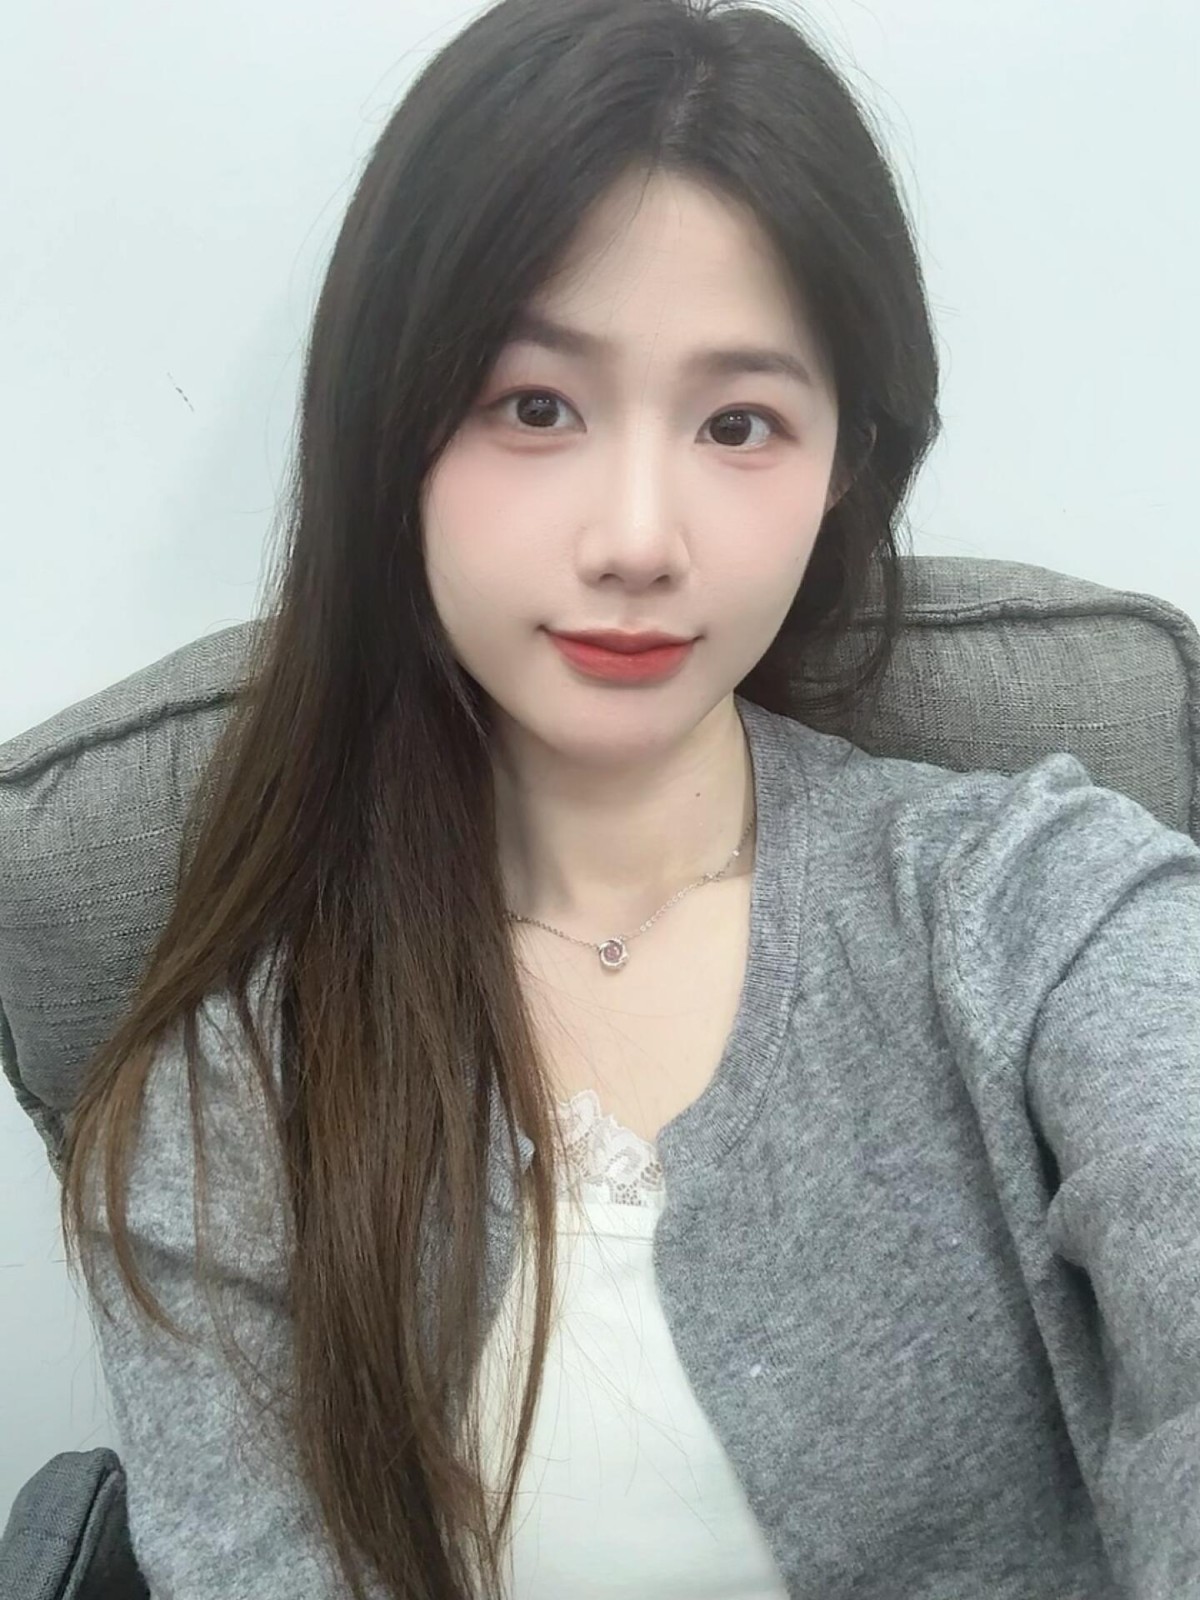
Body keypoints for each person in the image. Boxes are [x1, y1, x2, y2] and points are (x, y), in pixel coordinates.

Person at [53, 0, 1199, 1596]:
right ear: (390, 433)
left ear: (846, 465)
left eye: (740, 423)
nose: (640, 539)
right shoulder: (232, 1104)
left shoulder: (1035, 912)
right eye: (536, 405)